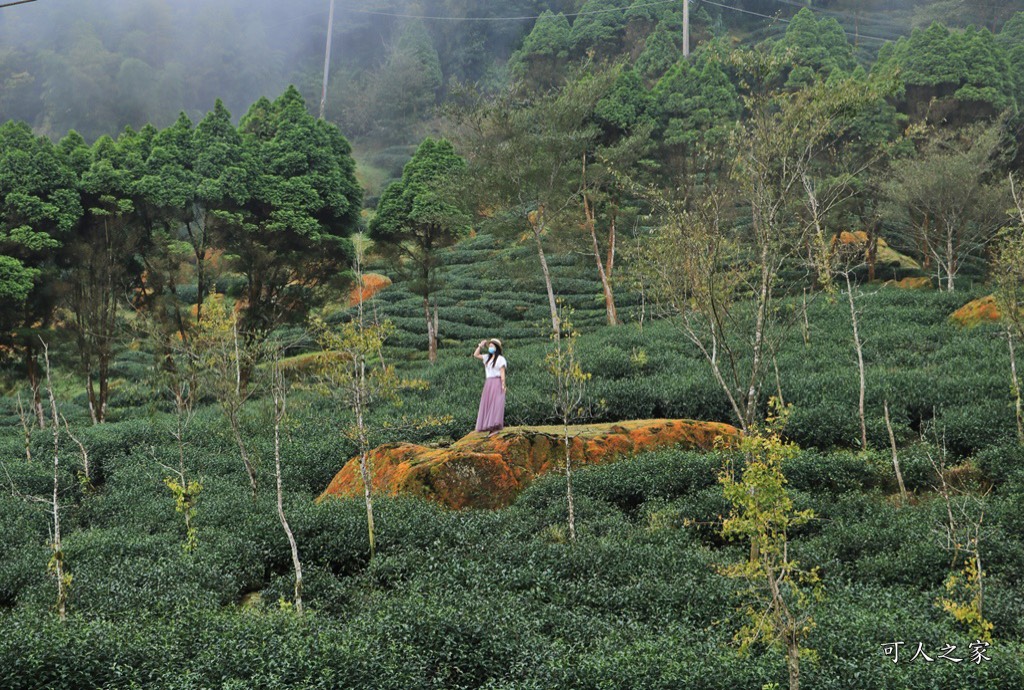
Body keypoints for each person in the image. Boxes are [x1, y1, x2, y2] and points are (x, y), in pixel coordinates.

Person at [473, 338, 507, 436]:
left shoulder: (501, 359)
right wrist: (480, 346)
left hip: (497, 382)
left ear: (496, 348)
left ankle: (495, 427)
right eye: (489, 346)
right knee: (488, 404)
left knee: (496, 404)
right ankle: (489, 427)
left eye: (492, 346)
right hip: (489, 383)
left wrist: (503, 384)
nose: (490, 348)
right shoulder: (487, 358)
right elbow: (476, 355)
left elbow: (502, 373)